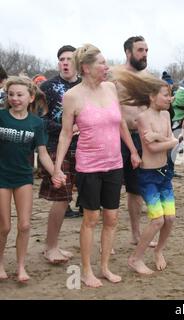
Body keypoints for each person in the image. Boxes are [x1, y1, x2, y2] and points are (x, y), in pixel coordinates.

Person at [52, 44, 141, 288]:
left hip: (114, 163)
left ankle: (104, 268)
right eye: (101, 63)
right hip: (89, 166)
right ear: (86, 68)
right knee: (91, 218)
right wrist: (57, 167)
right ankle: (86, 271)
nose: (106, 67)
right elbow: (65, 134)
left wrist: (132, 151)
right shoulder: (72, 96)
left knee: (111, 218)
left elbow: (121, 123)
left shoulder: (111, 88)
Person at [113, 70, 177, 275]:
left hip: (164, 173)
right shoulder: (142, 118)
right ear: (152, 96)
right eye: (166, 94)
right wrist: (169, 140)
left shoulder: (166, 115)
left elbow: (168, 144)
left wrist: (162, 138)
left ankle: (159, 251)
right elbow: (152, 148)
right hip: (148, 176)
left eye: (170, 94)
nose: (170, 98)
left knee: (170, 219)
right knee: (157, 219)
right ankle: (135, 258)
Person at [0, 76, 58, 282]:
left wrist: (55, 173)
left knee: (24, 225)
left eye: (19, 95)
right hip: (1, 177)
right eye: (11, 94)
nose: (15, 98)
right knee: (4, 226)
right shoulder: (1, 116)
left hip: (23, 177)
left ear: (31, 97)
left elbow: (42, 153)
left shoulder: (36, 123)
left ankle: (21, 267)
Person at [38, 45, 83, 265]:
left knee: (76, 198)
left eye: (69, 59)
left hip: (84, 147)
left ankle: (56, 245)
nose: (65, 62)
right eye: (61, 59)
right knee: (62, 195)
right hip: (56, 146)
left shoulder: (85, 86)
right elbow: (40, 120)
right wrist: (67, 128)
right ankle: (50, 247)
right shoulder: (47, 86)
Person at [114, 36, 151, 247]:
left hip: (141, 137)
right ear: (128, 52)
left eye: (146, 50)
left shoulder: (147, 77)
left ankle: (136, 234)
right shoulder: (114, 75)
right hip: (117, 137)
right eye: (140, 50)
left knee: (136, 189)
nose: (145, 54)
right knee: (111, 189)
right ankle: (107, 241)